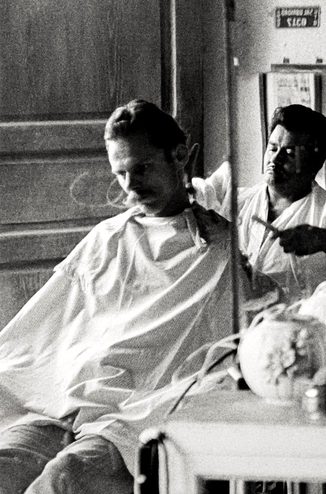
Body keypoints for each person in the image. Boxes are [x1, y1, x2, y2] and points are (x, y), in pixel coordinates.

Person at [0, 99, 240, 492]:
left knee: (65, 480)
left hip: (138, 409)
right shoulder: (106, 238)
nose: (131, 185)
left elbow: (232, 343)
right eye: (121, 173)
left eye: (142, 168)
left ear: (179, 156)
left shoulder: (218, 250)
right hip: (64, 403)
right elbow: (45, 333)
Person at [195, 104, 326, 300]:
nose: (275, 159)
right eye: (272, 148)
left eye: (289, 153)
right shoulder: (236, 201)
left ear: (315, 163)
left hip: (303, 327)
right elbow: (193, 198)